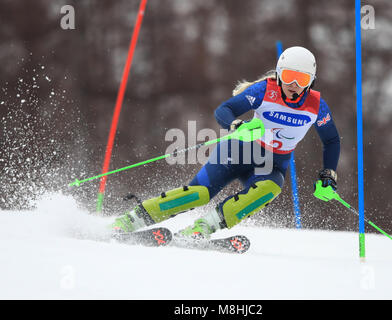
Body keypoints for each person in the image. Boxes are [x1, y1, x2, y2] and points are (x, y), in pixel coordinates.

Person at [111, 46, 340, 238]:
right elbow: (225, 109)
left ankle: (203, 228)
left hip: (271, 165)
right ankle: (132, 220)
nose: (294, 84)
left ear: (311, 81)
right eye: (289, 76)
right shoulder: (264, 91)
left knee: (270, 188)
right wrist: (234, 126)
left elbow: (331, 140)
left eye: (302, 79)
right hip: (238, 151)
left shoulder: (316, 106)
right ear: (279, 74)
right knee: (199, 193)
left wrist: (328, 173)